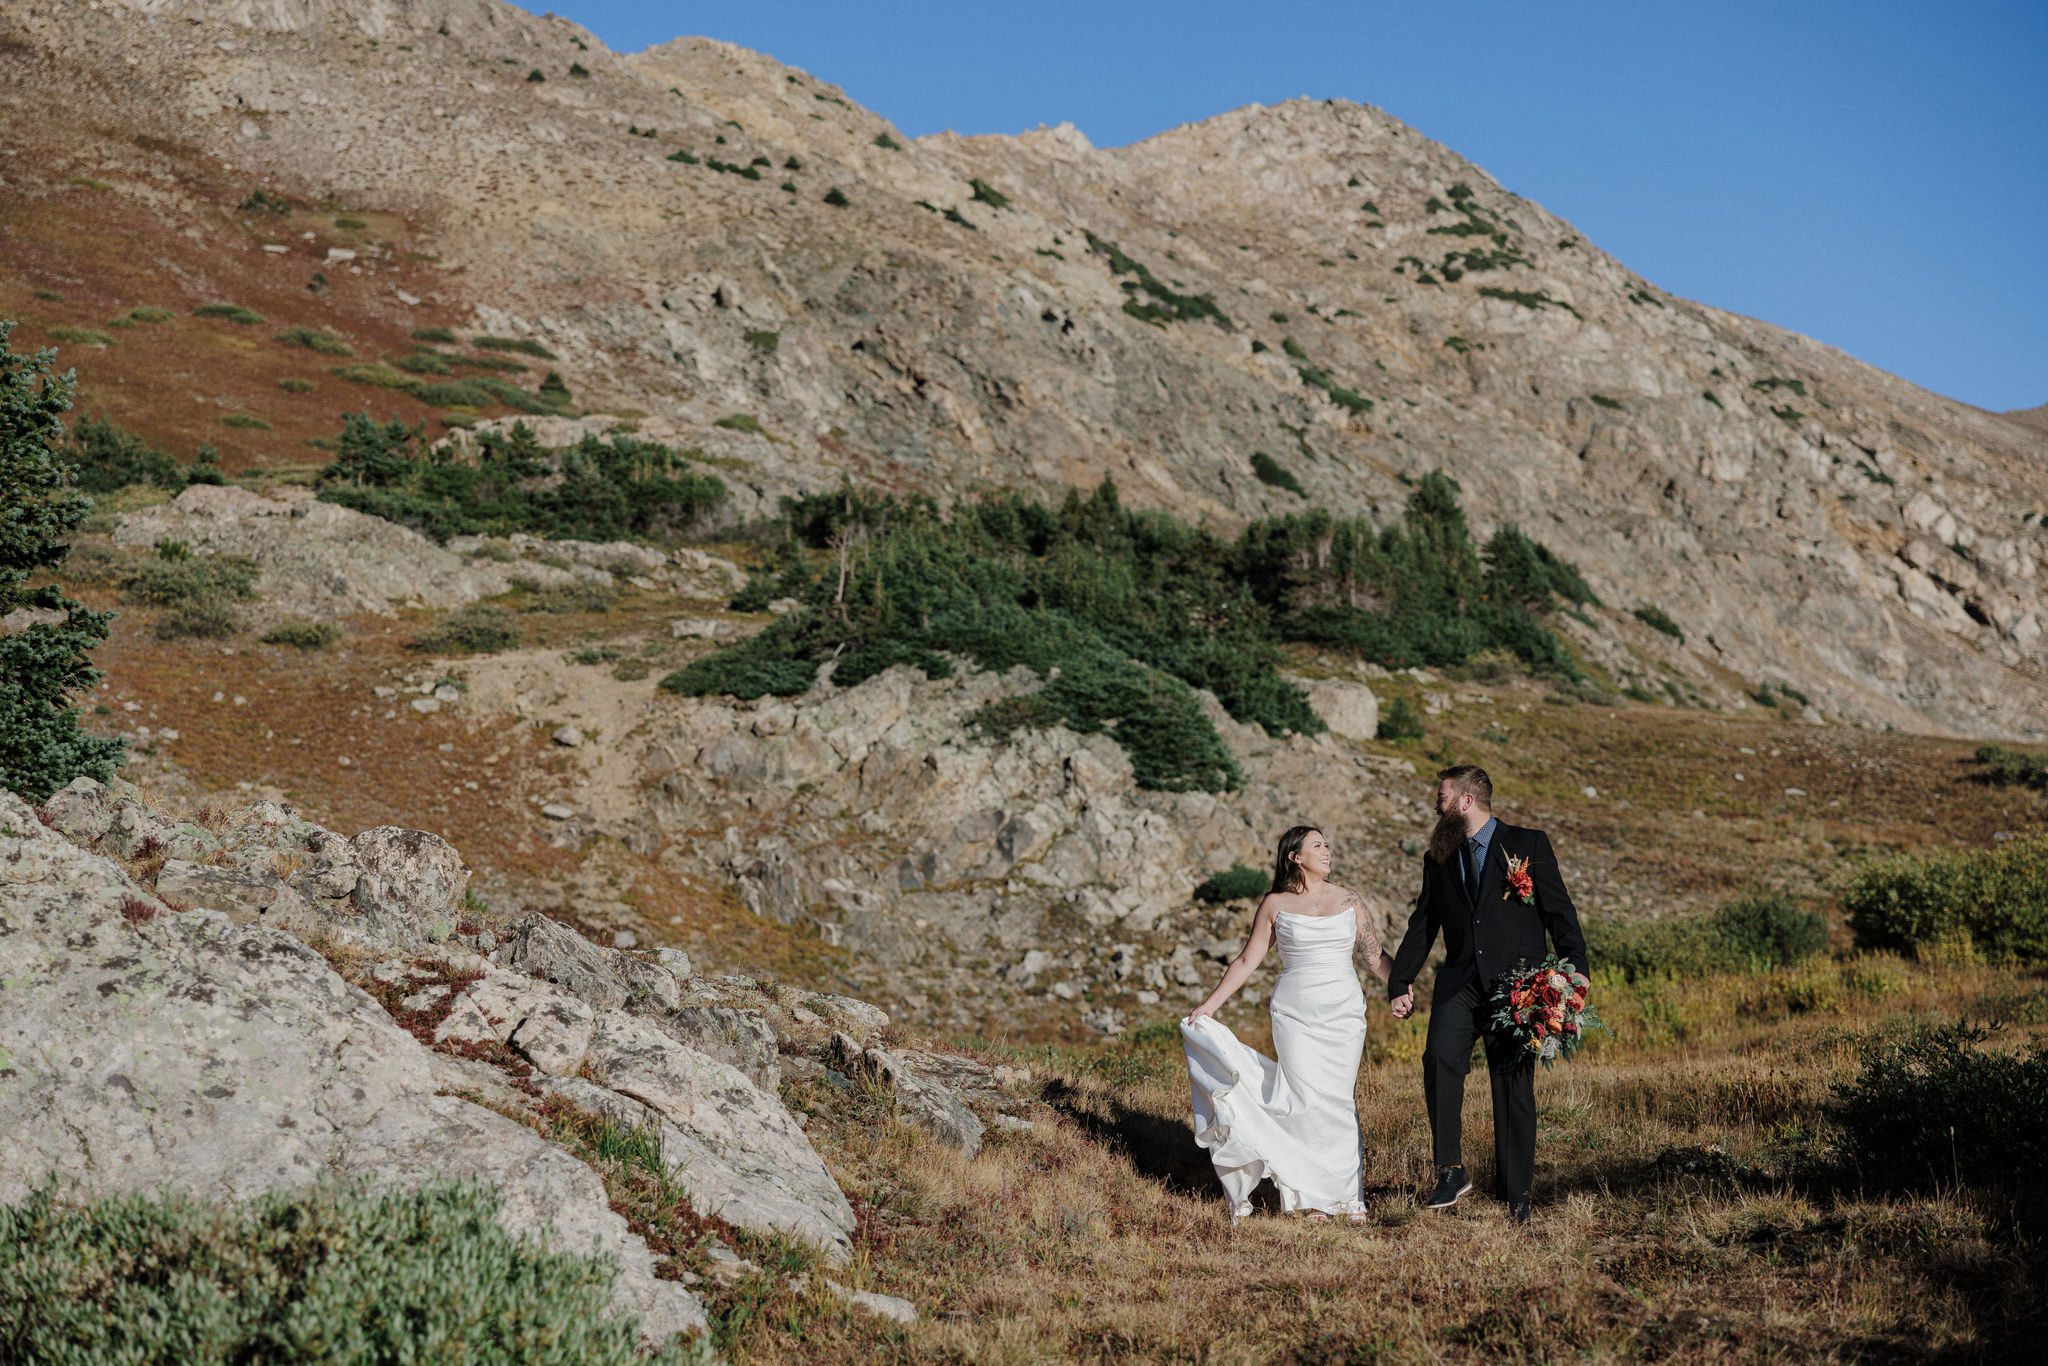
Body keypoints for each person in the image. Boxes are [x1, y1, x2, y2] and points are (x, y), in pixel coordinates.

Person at [1387, 765, 1589, 1225]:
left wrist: (1575, 971)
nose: (1434, 805)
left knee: (1513, 1086)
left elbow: (1559, 910)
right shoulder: (1438, 858)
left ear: (1464, 801)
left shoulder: (1528, 845)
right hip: (1459, 983)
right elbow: (1424, 924)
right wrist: (1401, 981)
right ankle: (1451, 1170)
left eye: (1440, 797)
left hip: (1518, 987)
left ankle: (1517, 1194)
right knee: (1438, 1058)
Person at [1181, 826, 1394, 1220]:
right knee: (1305, 1101)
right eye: (1318, 845)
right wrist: (1208, 1007)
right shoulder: (1275, 904)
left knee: (1337, 1101)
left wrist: (1401, 988)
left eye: (1327, 844)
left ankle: (1348, 1197)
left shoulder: (1349, 900)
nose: (1327, 851)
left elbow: (1373, 955)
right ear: (1295, 857)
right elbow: (1248, 960)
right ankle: (1311, 1197)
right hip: (1295, 1015)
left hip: (1343, 1014)